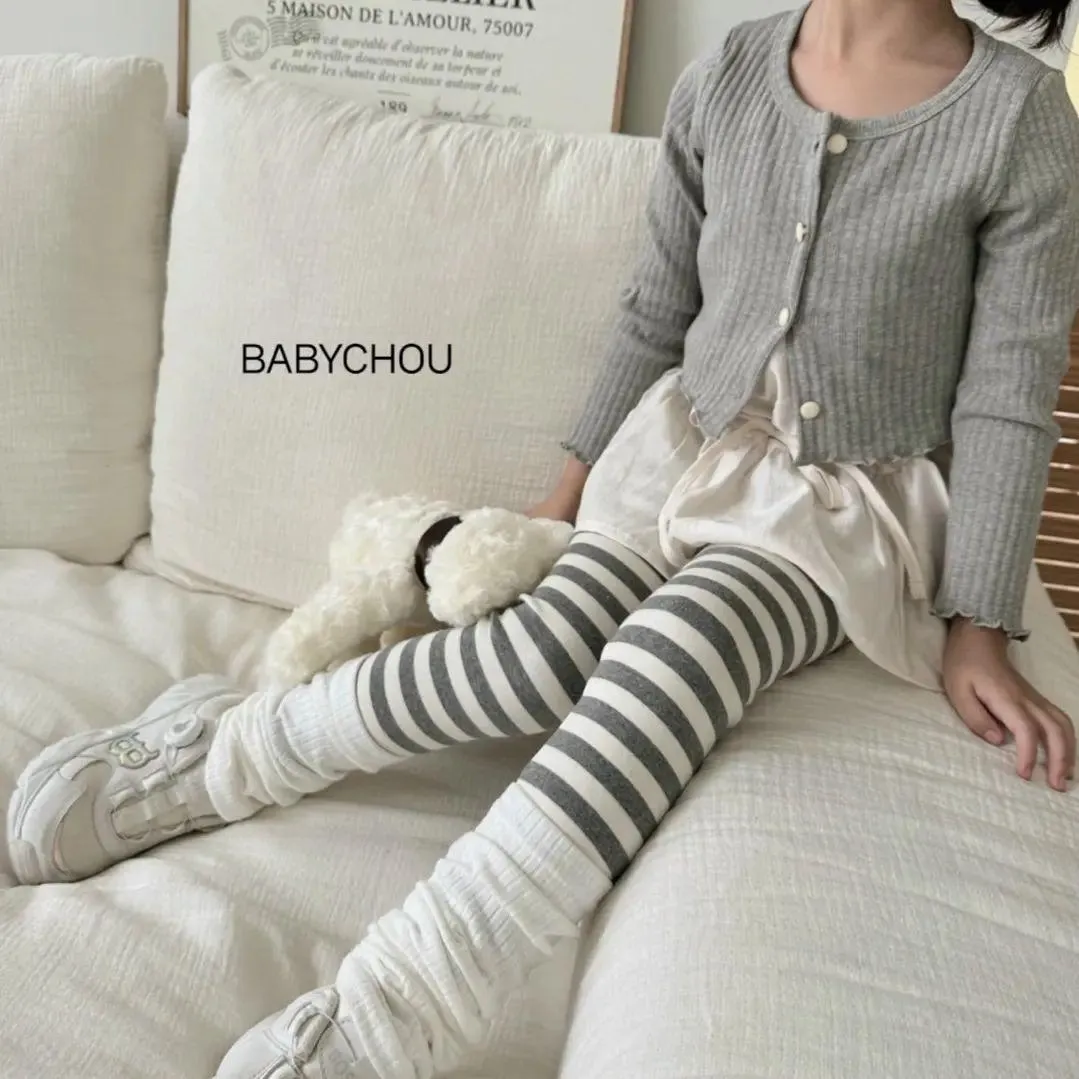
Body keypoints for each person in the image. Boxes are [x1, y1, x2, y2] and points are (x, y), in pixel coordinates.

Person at [8, 1, 1079, 1075]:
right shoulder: (731, 71)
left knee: (679, 649)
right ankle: (233, 748)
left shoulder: (1015, 117)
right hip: (679, 447)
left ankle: (406, 999)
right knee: (541, 651)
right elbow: (657, 307)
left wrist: (977, 621)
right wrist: (563, 500)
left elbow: (1007, 392)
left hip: (837, 503)